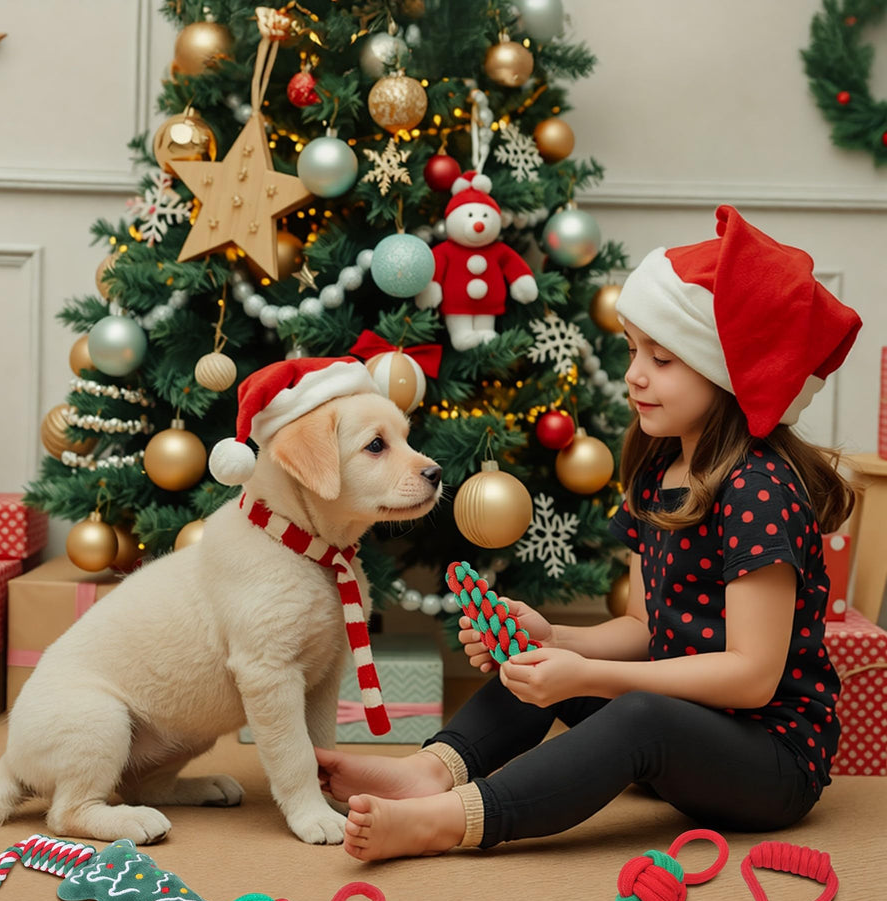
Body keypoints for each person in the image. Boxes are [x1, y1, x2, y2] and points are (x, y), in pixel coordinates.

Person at [316, 205, 862, 861]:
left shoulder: (758, 490)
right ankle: (430, 771)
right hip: (690, 727)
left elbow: (752, 678)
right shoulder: (660, 465)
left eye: (662, 359)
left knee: (634, 709)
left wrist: (592, 676)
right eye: (635, 352)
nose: (634, 375)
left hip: (769, 760)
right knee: (540, 663)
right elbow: (644, 628)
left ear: (725, 377)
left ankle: (450, 820)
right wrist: (555, 640)